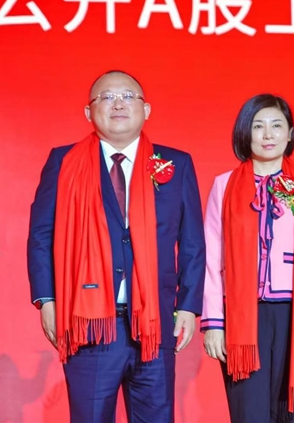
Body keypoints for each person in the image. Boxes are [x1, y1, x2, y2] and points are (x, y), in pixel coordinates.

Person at [27, 70, 205, 423]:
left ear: (146, 109)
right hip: (88, 321)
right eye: (107, 97)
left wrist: (187, 305)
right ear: (88, 112)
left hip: (154, 322)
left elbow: (192, 242)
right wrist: (46, 300)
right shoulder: (63, 162)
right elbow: (41, 235)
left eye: (128, 96)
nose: (118, 104)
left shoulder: (176, 163)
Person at [201, 94, 294, 422]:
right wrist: (214, 323)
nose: (268, 134)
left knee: (291, 411)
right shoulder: (224, 185)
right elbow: (212, 258)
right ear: (244, 132)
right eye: (258, 126)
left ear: (290, 133)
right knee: (249, 413)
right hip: (242, 316)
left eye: (277, 125)